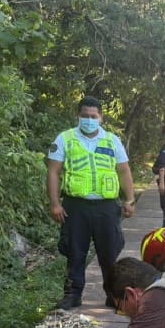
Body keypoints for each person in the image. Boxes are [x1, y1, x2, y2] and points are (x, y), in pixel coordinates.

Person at [47, 96, 136, 310]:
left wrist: (130, 199)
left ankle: (112, 295)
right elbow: (53, 171)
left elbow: (123, 170)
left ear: (101, 117)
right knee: (75, 252)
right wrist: (55, 203)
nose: (89, 120)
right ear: (77, 116)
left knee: (109, 252)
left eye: (93, 116)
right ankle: (72, 295)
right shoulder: (65, 139)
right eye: (85, 116)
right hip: (75, 206)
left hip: (107, 206)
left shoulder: (112, 140)